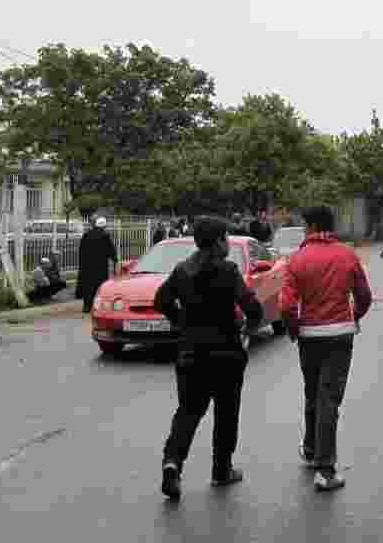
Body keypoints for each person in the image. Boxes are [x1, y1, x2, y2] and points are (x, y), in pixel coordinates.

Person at [154, 216, 264, 500]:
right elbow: (254, 309)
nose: (227, 243)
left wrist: (182, 323)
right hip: (226, 355)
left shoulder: (182, 271)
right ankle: (221, 470)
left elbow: (161, 301)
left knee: (188, 412)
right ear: (217, 242)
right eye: (225, 238)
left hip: (191, 355)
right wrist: (246, 330)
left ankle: (172, 464)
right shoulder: (228, 271)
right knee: (226, 415)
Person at [279, 205, 372, 492]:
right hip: (340, 336)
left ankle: (311, 449)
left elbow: (286, 305)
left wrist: (295, 330)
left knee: (313, 393)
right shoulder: (347, 255)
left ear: (310, 227)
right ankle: (325, 468)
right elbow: (364, 295)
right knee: (329, 398)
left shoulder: (296, 260)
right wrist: (354, 316)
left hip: (309, 336)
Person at [77, 217, 118, 313]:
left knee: (88, 285)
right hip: (100, 266)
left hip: (87, 265)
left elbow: (81, 250)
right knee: (100, 286)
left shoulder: (86, 234)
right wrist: (115, 259)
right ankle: (98, 306)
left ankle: (86, 306)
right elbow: (110, 249)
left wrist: (82, 262)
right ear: (104, 226)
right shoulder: (105, 235)